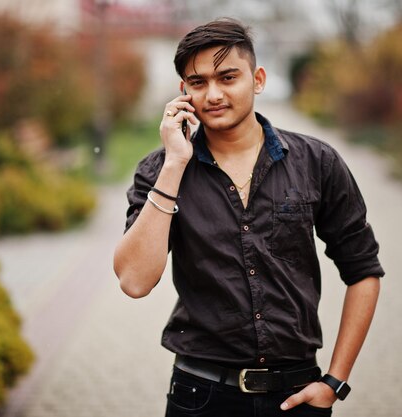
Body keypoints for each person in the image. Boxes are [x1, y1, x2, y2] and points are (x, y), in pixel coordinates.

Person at [113, 18, 384, 417]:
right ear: (183, 91)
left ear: (257, 79)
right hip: (200, 396)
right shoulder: (159, 170)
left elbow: (363, 271)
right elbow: (134, 281)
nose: (214, 94)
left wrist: (334, 381)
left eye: (228, 77)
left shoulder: (316, 162)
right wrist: (174, 164)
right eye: (198, 82)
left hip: (297, 394)